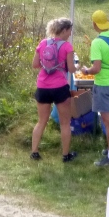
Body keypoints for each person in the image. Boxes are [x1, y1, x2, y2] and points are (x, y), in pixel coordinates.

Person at [79, 10, 109, 166]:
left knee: (108, 122)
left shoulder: (97, 42)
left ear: (94, 24)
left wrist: (86, 71)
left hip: (104, 85)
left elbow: (96, 68)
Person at [30, 17, 77, 163]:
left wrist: (47, 65)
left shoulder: (43, 43)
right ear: (64, 30)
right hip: (59, 87)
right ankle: (65, 155)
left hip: (43, 86)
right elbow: (71, 69)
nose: (70, 34)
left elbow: (35, 64)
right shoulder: (67, 46)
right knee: (65, 123)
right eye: (69, 31)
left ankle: (34, 152)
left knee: (41, 121)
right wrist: (77, 66)